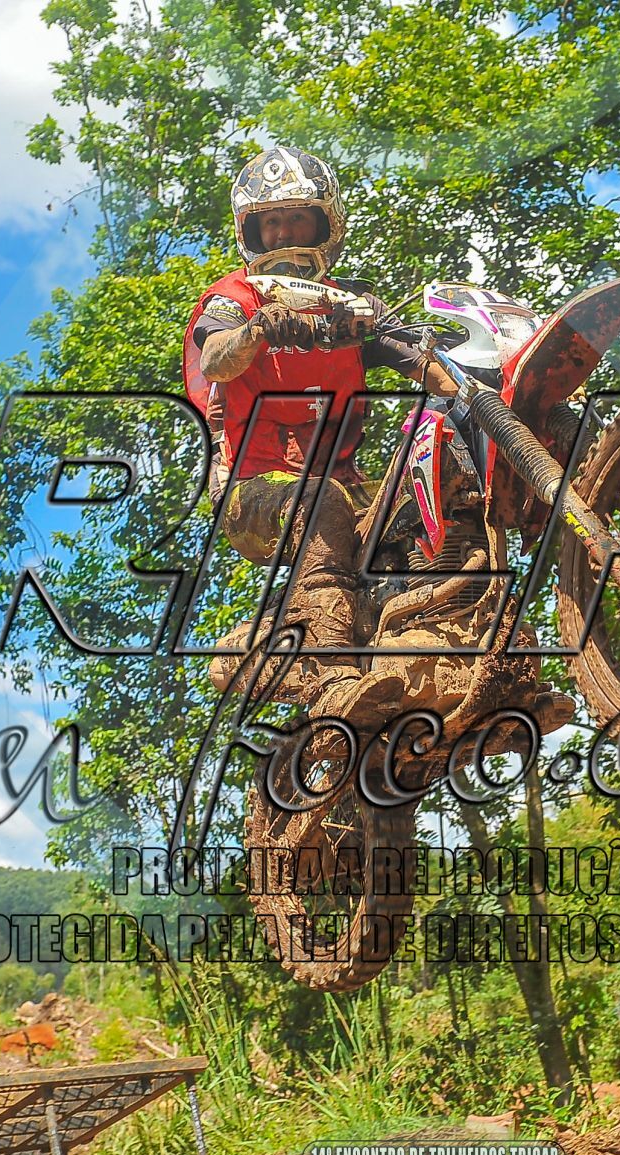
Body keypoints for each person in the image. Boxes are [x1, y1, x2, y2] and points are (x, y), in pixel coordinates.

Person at [184, 146, 462, 726]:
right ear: (251, 232)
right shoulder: (232, 300)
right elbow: (215, 359)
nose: (284, 233)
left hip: (344, 482)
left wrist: (474, 385)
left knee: (434, 487)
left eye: (296, 218)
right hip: (250, 488)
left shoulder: (353, 305)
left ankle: (443, 640)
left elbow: (423, 363)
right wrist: (257, 331)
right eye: (271, 222)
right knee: (323, 504)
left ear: (324, 224)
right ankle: (332, 675)